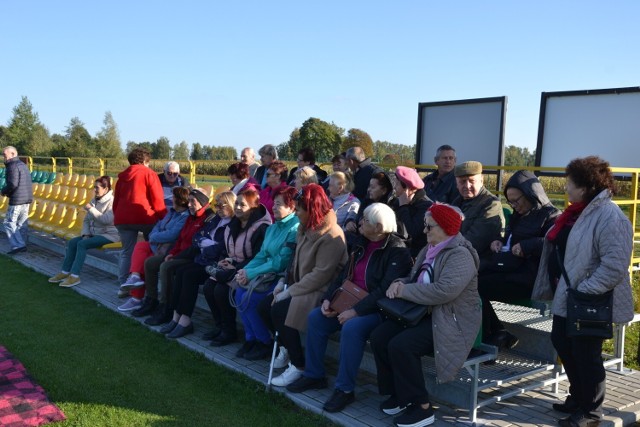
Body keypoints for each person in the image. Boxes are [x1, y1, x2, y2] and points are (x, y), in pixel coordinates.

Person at [532, 156, 633, 427]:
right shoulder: (579, 212)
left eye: (570, 183)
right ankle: (578, 397)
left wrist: (583, 291)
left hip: (588, 299)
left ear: (586, 186)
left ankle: (590, 412)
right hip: (571, 296)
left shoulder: (610, 217)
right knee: (563, 342)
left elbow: (614, 266)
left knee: (587, 355)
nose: (566, 188)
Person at [285, 203, 412, 413]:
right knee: (317, 317)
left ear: (379, 227)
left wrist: (356, 311)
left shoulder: (397, 251)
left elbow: (382, 291)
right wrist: (329, 299)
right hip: (349, 299)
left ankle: (344, 389)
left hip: (377, 310)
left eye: (366, 220)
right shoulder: (361, 243)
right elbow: (344, 275)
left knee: (352, 328)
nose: (360, 223)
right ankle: (314, 375)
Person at [370, 203, 480, 427]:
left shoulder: (460, 255)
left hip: (450, 319)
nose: (424, 231)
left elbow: (444, 291)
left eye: (429, 227)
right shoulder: (429, 249)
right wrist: (399, 282)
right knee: (380, 336)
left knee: (402, 345)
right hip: (423, 313)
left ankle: (421, 407)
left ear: (445, 228)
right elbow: (415, 277)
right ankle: (400, 396)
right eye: (425, 226)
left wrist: (405, 290)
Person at [257, 184, 348, 390]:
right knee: (264, 306)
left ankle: (298, 364)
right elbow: (294, 262)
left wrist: (290, 292)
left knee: (280, 309)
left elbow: (320, 275)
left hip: (320, 290)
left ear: (312, 209)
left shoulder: (332, 235)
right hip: (301, 285)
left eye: (299, 209)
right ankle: (287, 348)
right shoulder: (304, 227)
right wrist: (282, 282)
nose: (296, 212)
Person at [479, 170, 560, 349]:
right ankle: (496, 334)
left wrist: (527, 246)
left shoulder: (551, 215)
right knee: (472, 281)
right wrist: (499, 242)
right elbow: (509, 237)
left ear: (531, 195)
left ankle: (490, 338)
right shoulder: (519, 214)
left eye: (516, 200)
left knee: (476, 287)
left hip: (530, 277)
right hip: (510, 268)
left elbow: (553, 243)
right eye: (510, 201)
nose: (513, 205)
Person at [232, 186, 299, 360]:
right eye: (274, 203)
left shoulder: (294, 229)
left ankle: (265, 342)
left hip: (279, 279)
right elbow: (261, 255)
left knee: (251, 298)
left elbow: (280, 262)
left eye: (279, 204)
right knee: (239, 292)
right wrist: (245, 271)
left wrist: (251, 273)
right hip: (263, 275)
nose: (274, 207)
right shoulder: (272, 228)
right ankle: (251, 339)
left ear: (292, 207)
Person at [160, 192, 236, 339]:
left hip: (215, 263)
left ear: (231, 205)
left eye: (222, 205)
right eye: (216, 205)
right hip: (204, 260)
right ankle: (176, 316)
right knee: (181, 271)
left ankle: (185, 320)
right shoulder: (216, 220)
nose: (218, 208)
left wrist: (205, 245)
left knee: (189, 275)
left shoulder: (233, 224)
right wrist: (207, 244)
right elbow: (197, 237)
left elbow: (223, 247)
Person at [131, 188, 211, 323]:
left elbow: (195, 246)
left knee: (165, 267)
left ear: (202, 202)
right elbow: (179, 239)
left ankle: (165, 307)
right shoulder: (191, 217)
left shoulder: (205, 219)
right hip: (178, 253)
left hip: (190, 258)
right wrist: (173, 253)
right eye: (189, 201)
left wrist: (174, 256)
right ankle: (151, 300)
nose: (189, 205)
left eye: (193, 202)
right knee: (150, 263)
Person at [205, 189, 271, 347]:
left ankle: (229, 331)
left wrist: (235, 267)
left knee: (221, 291)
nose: (238, 207)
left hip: (251, 271)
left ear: (253, 207)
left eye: (243, 204)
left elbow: (257, 257)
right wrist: (226, 261)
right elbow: (231, 250)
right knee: (208, 287)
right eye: (236, 203)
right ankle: (220, 326)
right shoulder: (234, 223)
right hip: (235, 266)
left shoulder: (260, 228)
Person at [116, 187, 191, 312]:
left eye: (173, 197)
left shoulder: (185, 216)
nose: (171, 199)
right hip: (158, 245)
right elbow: (158, 226)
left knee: (146, 259)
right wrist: (154, 236)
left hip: (169, 249)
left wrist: (154, 237)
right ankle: (134, 279)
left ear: (179, 200)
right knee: (140, 247)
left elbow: (173, 235)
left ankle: (138, 298)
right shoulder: (171, 212)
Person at [47, 176, 120, 287]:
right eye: (94, 187)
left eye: (97, 188)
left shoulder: (112, 202)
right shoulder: (94, 200)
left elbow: (106, 220)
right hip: (94, 233)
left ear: (106, 189)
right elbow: (86, 220)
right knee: (72, 242)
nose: (94, 190)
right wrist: (85, 233)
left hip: (110, 235)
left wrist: (91, 209)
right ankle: (65, 272)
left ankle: (75, 277)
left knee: (82, 244)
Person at [113, 147, 167, 286]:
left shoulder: (122, 177)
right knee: (151, 248)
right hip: (145, 217)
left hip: (122, 219)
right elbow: (157, 200)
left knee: (126, 252)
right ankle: (150, 283)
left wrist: (118, 216)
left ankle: (123, 283)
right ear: (144, 161)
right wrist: (164, 218)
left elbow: (116, 200)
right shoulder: (149, 173)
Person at [451, 161, 504, 258]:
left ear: (481, 180)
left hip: (478, 260)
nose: (467, 186)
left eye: (472, 181)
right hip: (456, 254)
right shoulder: (457, 202)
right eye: (462, 182)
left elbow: (475, 240)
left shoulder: (491, 204)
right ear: (456, 184)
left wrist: (446, 249)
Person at [393, 166, 433, 257]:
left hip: (418, 254)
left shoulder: (425, 206)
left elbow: (413, 231)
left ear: (407, 189)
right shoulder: (398, 202)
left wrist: (403, 207)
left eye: (397, 184)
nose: (394, 187)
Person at [1, 146, 33, 255]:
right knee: (21, 224)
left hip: (17, 199)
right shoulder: (22, 165)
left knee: (9, 223)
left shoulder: (12, 166)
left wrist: (3, 191)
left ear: (13, 154)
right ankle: (22, 244)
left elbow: (13, 184)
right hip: (26, 198)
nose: (3, 157)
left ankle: (18, 245)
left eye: (5, 155)